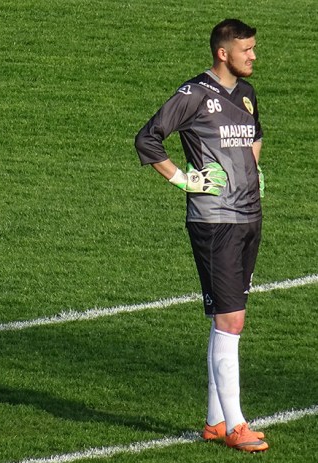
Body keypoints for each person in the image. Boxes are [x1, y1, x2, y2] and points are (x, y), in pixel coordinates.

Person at [134, 19, 268, 452]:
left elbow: (254, 137)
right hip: (215, 223)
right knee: (232, 320)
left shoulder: (246, 94)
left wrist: (252, 169)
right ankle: (236, 426)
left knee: (226, 319)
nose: (253, 56)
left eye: (253, 48)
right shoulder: (193, 94)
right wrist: (185, 180)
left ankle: (215, 421)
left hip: (248, 218)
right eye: (246, 50)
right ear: (223, 53)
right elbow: (148, 139)